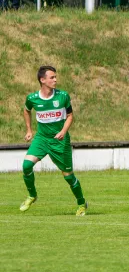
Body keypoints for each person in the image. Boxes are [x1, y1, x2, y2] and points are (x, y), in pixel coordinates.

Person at [19, 66, 88, 216]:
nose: (55, 80)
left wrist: (63, 131)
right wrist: (29, 130)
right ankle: (32, 195)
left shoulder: (63, 96)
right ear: (42, 80)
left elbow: (70, 116)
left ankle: (82, 203)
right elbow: (26, 110)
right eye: (52, 77)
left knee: (68, 176)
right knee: (26, 165)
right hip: (42, 139)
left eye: (56, 77)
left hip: (60, 142)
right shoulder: (32, 98)